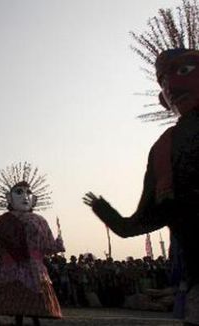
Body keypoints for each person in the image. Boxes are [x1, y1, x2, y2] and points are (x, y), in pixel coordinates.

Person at [83, 2, 199, 325]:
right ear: (163, 99)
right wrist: (107, 212)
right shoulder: (164, 150)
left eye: (184, 71)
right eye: (164, 81)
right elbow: (143, 220)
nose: (172, 86)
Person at [0, 162, 64, 326]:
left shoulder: (40, 221)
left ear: (34, 199)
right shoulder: (3, 221)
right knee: (18, 299)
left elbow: (50, 246)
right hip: (13, 267)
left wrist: (59, 236)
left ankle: (35, 321)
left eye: (28, 193)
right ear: (9, 198)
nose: (25, 196)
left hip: (35, 269)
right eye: (19, 192)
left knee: (35, 299)